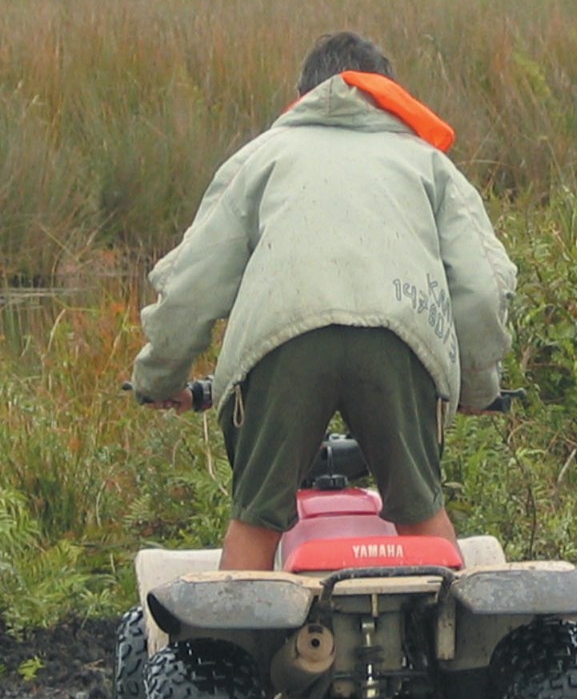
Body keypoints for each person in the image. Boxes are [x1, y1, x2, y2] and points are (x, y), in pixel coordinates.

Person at [132, 31, 515, 571]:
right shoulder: (427, 163)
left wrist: (160, 379)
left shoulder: (263, 156)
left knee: (256, 520)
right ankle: (457, 640)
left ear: (303, 94)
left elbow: (192, 284)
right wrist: (478, 388)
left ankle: (230, 649)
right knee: (421, 510)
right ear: (388, 93)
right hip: (400, 336)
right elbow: (478, 288)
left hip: (282, 340)